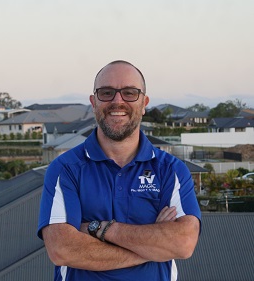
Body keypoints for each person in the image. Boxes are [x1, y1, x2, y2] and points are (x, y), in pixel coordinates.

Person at [37, 60, 201, 281]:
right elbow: (62, 249)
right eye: (107, 93)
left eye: (129, 93)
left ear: (144, 103)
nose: (117, 101)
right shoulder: (65, 169)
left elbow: (182, 244)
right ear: (93, 102)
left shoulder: (171, 170)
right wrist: (152, 247)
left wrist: (101, 230)